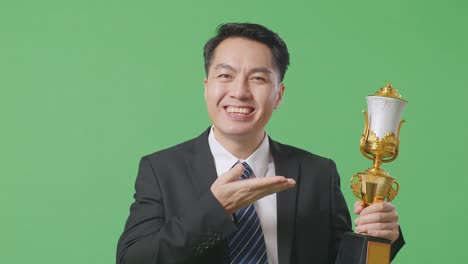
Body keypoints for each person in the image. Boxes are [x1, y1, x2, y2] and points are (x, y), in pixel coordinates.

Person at [116, 23, 405, 264]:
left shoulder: (318, 172)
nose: (239, 92)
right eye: (225, 75)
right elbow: (132, 259)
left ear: (279, 95)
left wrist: (380, 238)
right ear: (206, 87)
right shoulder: (161, 169)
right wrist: (215, 209)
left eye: (257, 78)